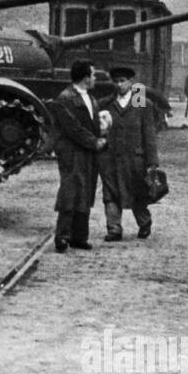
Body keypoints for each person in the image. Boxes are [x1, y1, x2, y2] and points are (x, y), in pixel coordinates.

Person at [98, 66, 158, 241]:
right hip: (111, 158)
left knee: (137, 192)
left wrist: (152, 162)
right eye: (116, 81)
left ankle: (144, 222)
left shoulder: (141, 102)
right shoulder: (106, 104)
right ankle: (114, 228)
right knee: (110, 193)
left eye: (123, 81)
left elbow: (149, 135)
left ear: (131, 82)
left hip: (135, 159)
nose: (119, 85)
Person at [52, 59, 106, 252]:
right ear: (85, 78)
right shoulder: (65, 98)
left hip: (87, 152)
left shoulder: (90, 99)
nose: (95, 78)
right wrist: (95, 142)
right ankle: (62, 236)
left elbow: (90, 125)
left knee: (85, 192)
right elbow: (73, 127)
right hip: (71, 152)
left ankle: (79, 237)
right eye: (93, 75)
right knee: (70, 193)